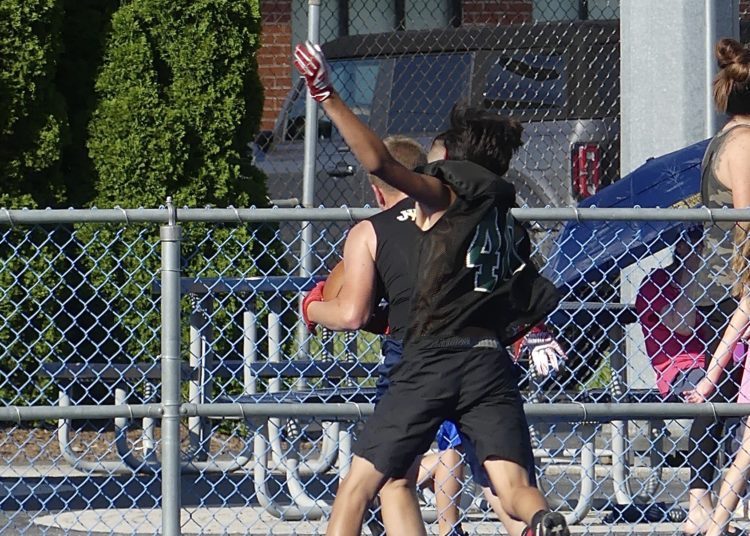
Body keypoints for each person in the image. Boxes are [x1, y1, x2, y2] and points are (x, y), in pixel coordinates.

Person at [294, 41, 567, 536]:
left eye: (436, 160)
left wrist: (329, 97)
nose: (428, 169)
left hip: (430, 357)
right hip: (487, 360)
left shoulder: (447, 197)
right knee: (514, 484)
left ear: (454, 164)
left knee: (357, 487)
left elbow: (380, 163)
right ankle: (541, 519)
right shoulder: (506, 221)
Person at [683, 37, 750, 536]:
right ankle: (700, 503)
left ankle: (703, 503)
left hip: (716, 279)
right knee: (720, 394)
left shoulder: (724, 137)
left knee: (720, 391)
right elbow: (746, 219)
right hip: (733, 282)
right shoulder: (744, 143)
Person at [635, 226, 734, 534]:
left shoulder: (719, 285)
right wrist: (693, 268)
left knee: (733, 393)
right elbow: (682, 324)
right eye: (700, 245)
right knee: (717, 397)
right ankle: (700, 506)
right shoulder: (656, 282)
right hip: (682, 370)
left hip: (718, 363)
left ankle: (722, 508)